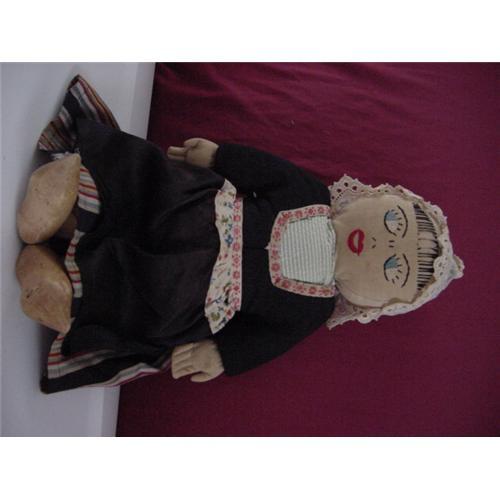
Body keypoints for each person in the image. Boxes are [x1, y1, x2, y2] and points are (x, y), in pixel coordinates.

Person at [16, 75, 464, 393]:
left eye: (393, 267)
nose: (382, 245)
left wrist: (221, 356)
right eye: (394, 223)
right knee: (150, 183)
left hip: (196, 291)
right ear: (377, 199)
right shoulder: (310, 194)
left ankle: (63, 288)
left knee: (152, 298)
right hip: (194, 208)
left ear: (373, 304)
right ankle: (67, 200)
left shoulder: (311, 310)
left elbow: (263, 342)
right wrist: (220, 157)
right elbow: (268, 171)